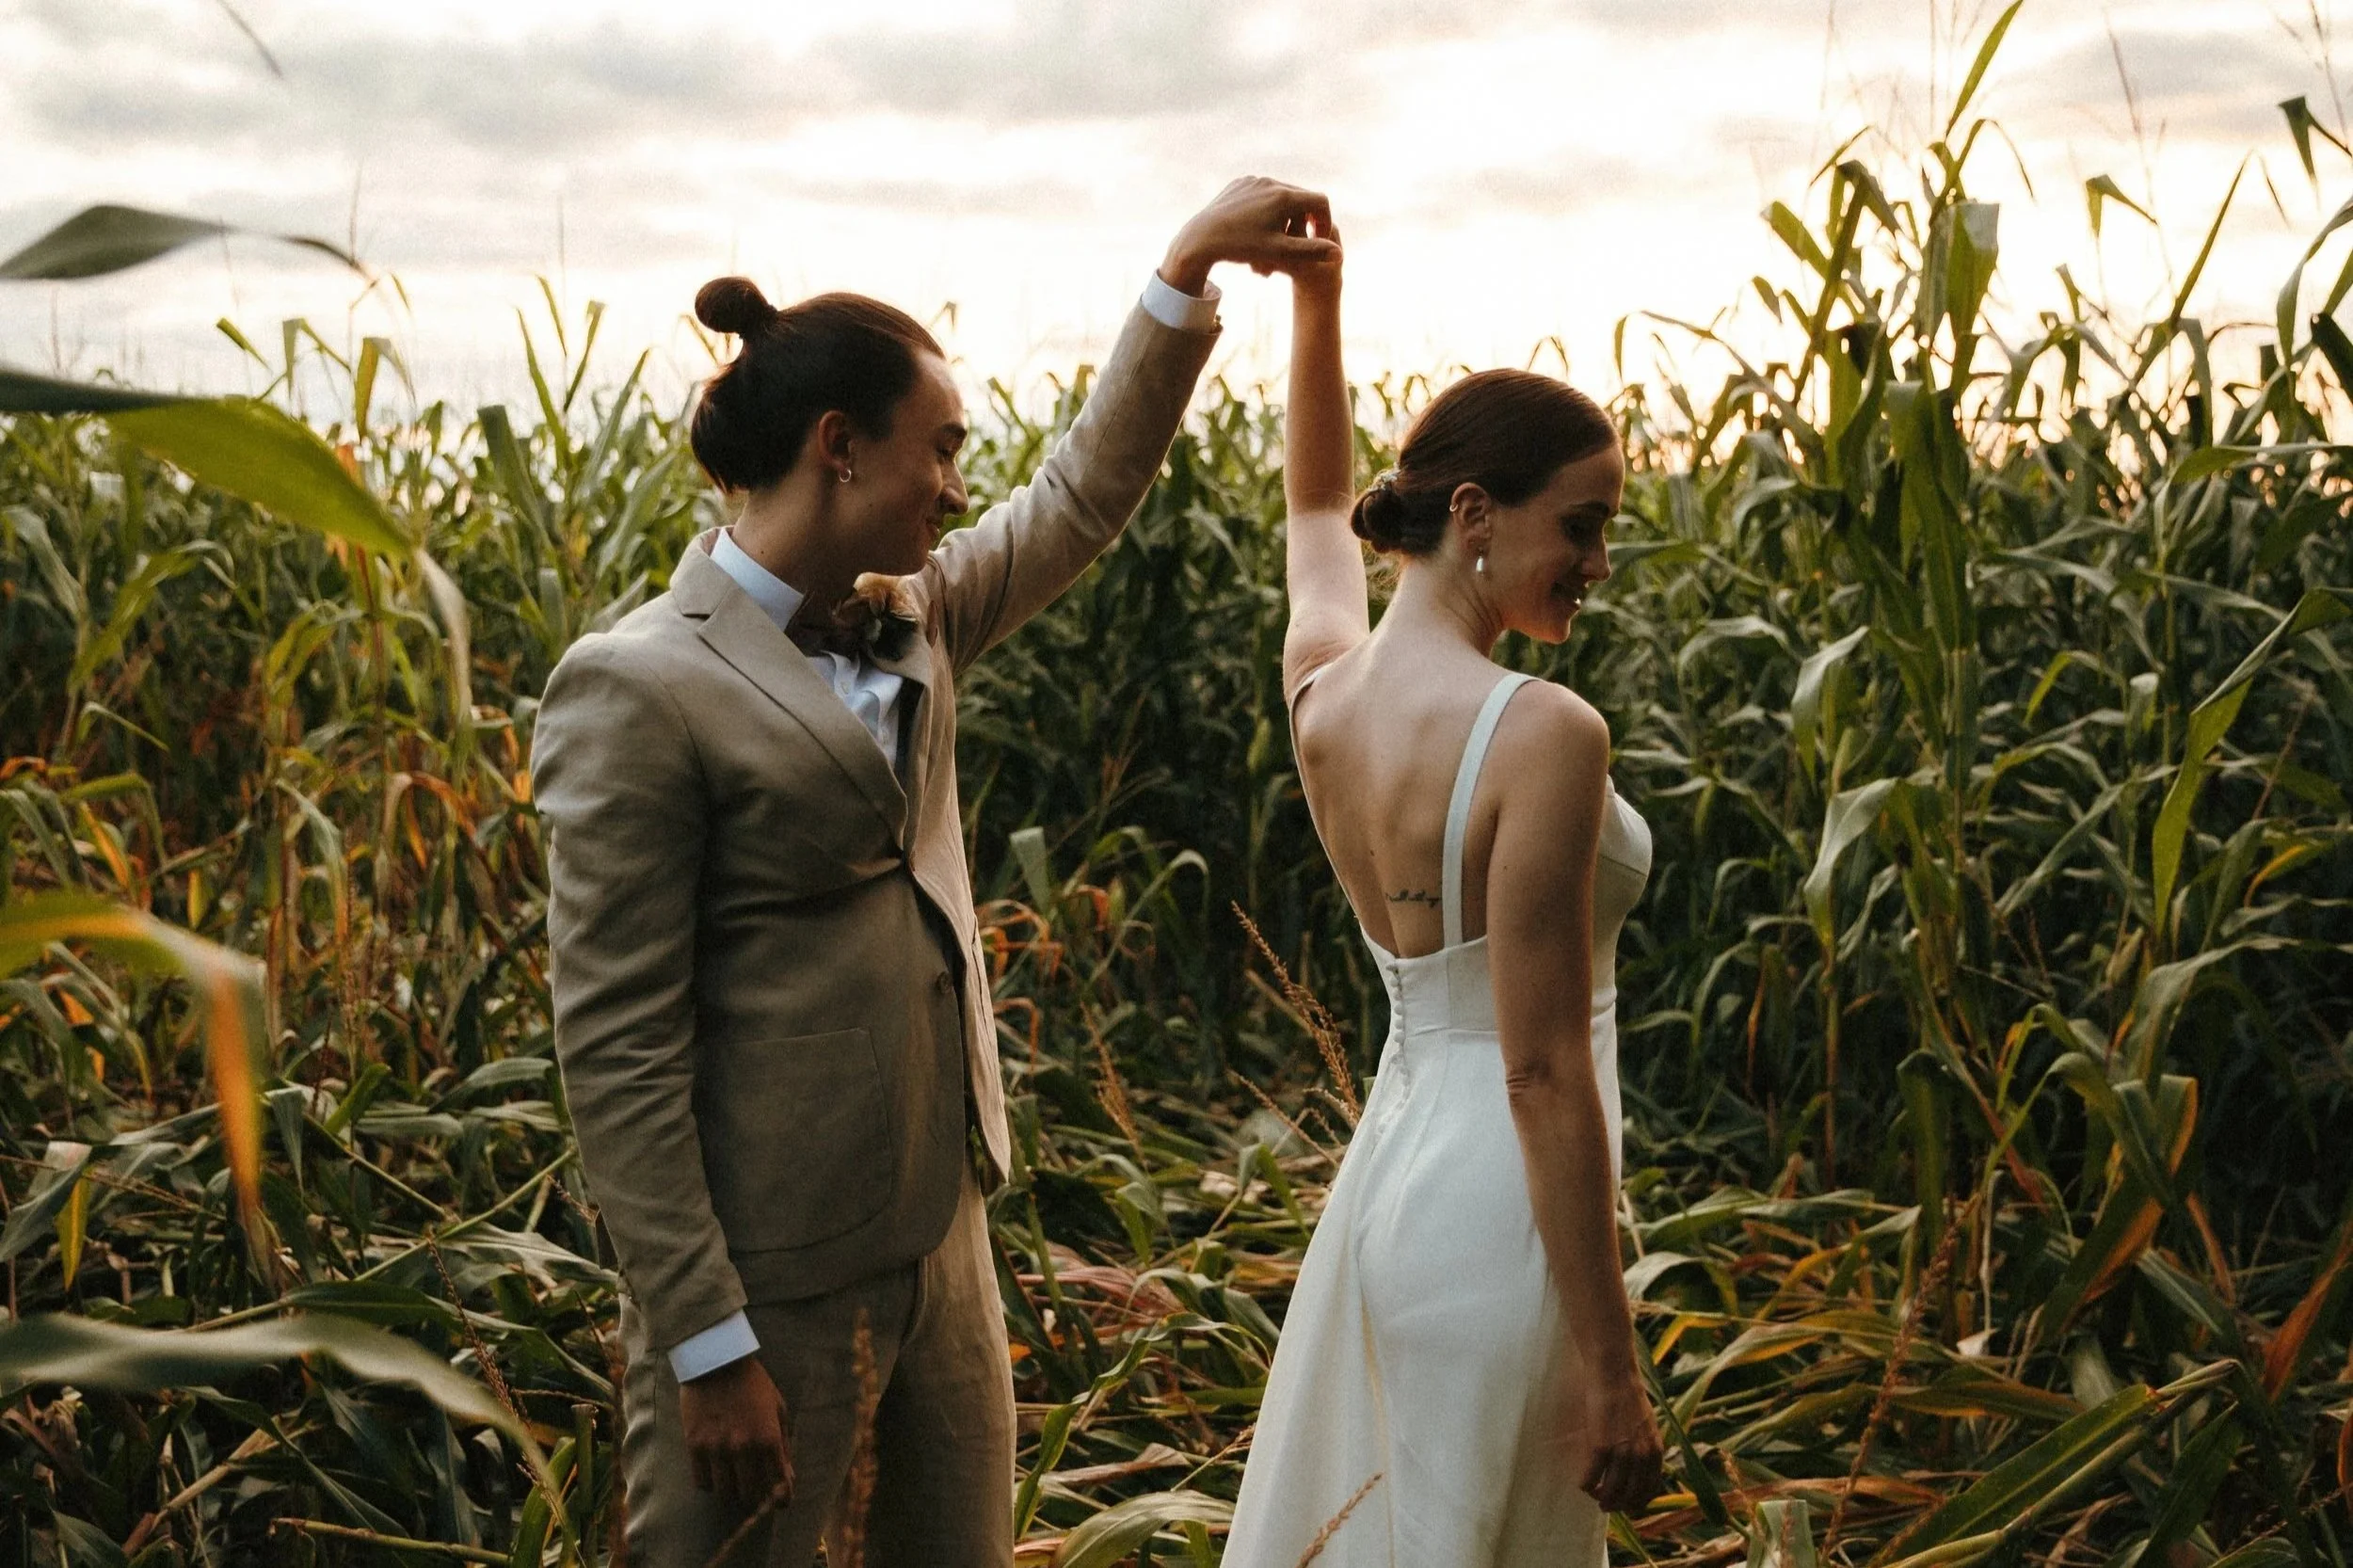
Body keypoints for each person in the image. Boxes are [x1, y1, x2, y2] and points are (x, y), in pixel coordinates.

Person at [530, 178, 1337, 1567]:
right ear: (840, 447)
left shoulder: (919, 613)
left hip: (943, 1237)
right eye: (944, 449)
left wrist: (1185, 273)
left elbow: (1082, 496)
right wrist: (706, 1338)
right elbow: (616, 1045)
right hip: (768, 1279)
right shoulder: (636, 685)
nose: (960, 487)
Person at [1222, 226, 1666, 1564]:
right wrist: (1613, 1365)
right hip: (1506, 1215)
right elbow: (1540, 1071)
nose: (1598, 563)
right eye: (1581, 525)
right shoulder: (1546, 733)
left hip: (1393, 1186)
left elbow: (1315, 512)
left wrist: (1317, 301)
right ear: (1473, 512)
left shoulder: (1323, 691)